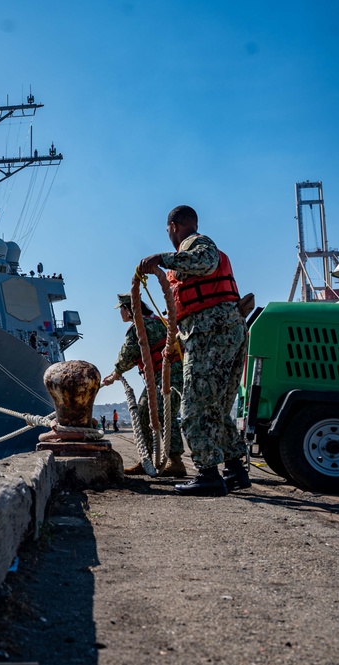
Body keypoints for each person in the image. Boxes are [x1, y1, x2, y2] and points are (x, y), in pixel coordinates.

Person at [138, 204, 248, 497]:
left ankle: (208, 474)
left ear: (173, 226)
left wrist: (161, 258)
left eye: (167, 231)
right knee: (215, 407)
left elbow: (206, 262)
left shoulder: (196, 244)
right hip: (223, 331)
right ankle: (234, 469)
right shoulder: (190, 255)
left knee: (193, 409)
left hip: (211, 332)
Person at [101, 293, 186, 477]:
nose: (120, 314)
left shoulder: (139, 327)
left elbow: (128, 354)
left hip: (165, 377)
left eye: (121, 310)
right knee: (152, 413)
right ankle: (148, 461)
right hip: (174, 375)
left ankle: (175, 461)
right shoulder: (158, 321)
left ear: (128, 310)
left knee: (160, 414)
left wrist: (116, 373)